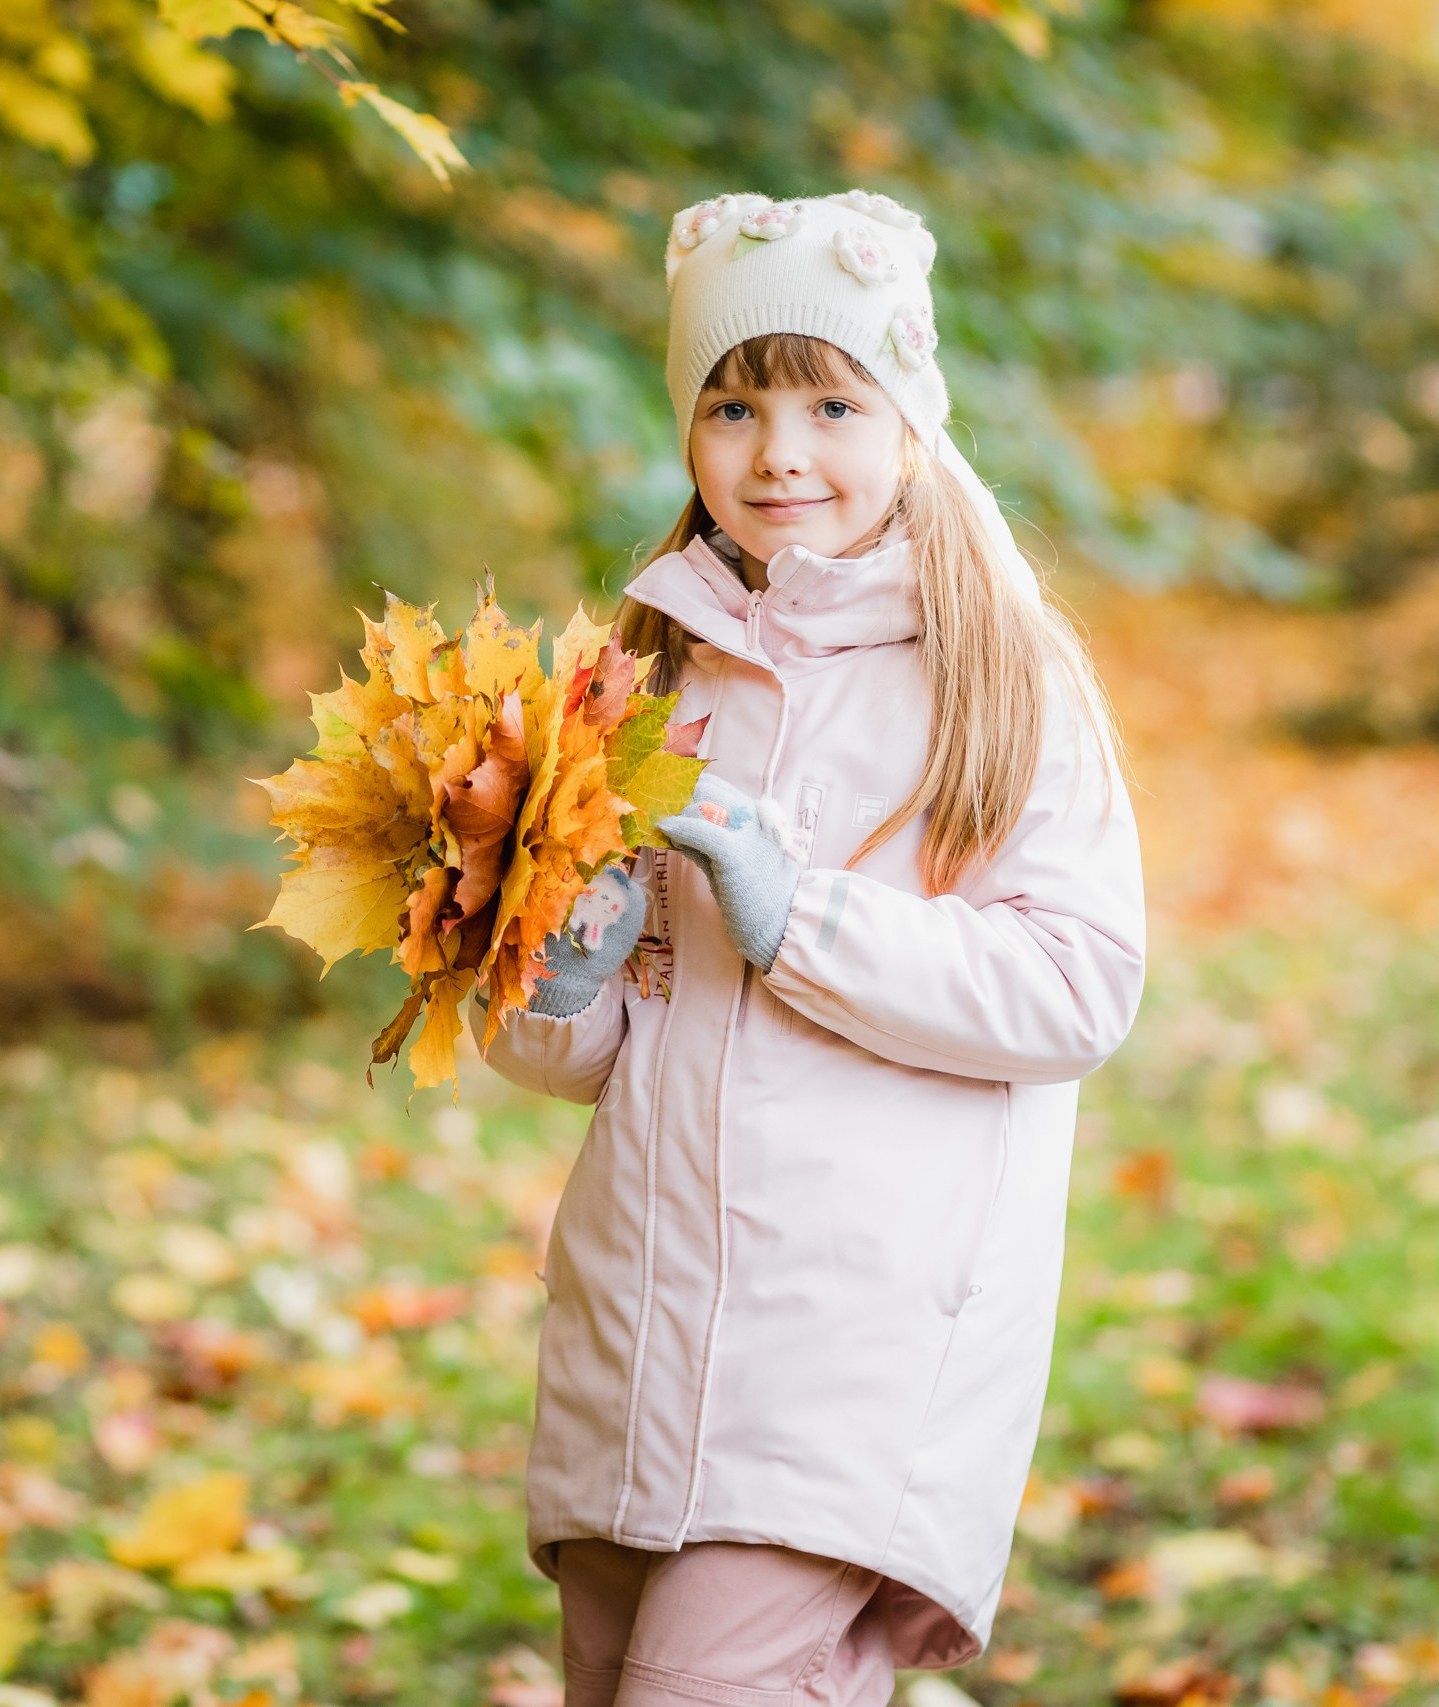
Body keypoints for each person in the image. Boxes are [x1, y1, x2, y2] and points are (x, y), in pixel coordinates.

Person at [471, 190, 1147, 1707]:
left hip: (854, 1344)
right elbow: (578, 1053)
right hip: (641, 1324)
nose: (781, 451)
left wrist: (798, 916)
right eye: (734, 404)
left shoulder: (999, 668)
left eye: (834, 401)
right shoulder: (643, 675)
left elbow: (1077, 985)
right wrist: (557, 964)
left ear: (910, 417)